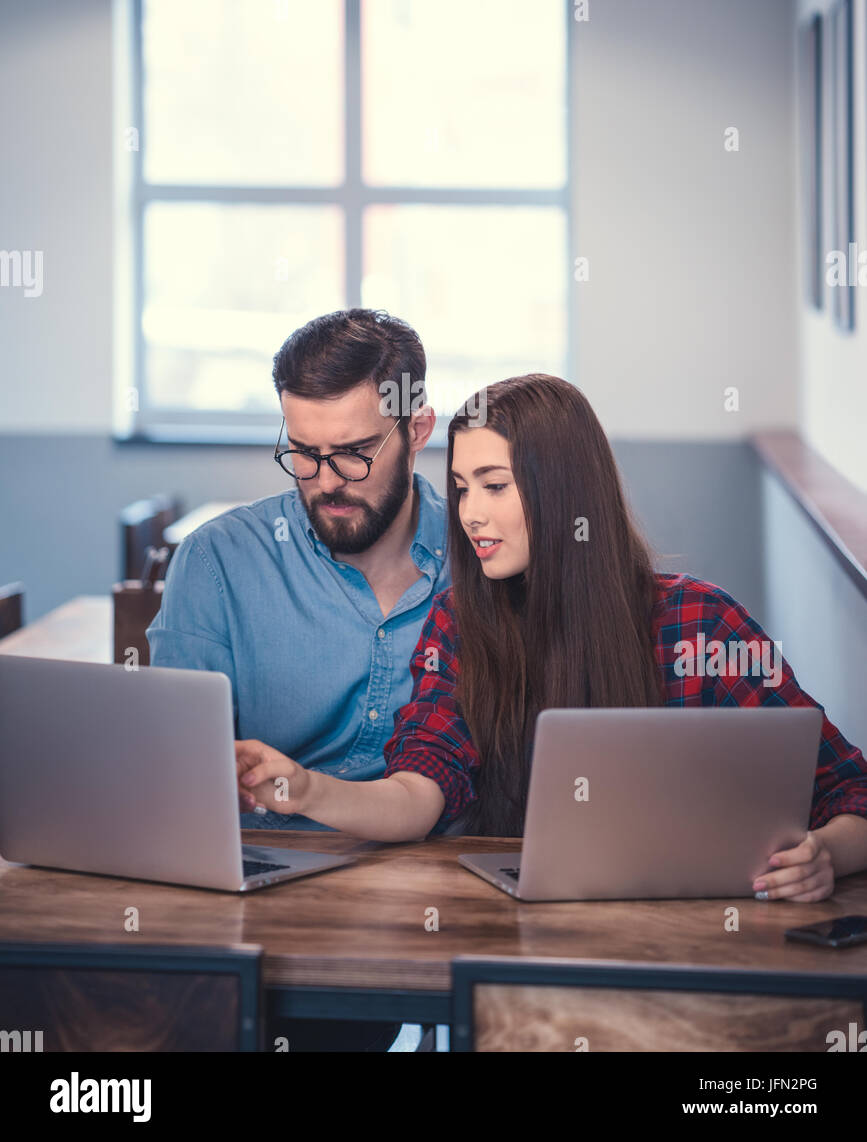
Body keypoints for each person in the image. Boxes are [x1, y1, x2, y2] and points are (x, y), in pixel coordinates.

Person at [238, 373, 867, 902]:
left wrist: (826, 855)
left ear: (563, 492)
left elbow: (849, 789)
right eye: (460, 489)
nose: (470, 513)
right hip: (518, 938)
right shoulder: (460, 621)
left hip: (686, 934)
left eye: (494, 485)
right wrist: (311, 788)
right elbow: (420, 789)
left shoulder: (699, 621)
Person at [147, 307, 450, 1051]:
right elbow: (169, 776)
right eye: (303, 454)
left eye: (352, 454)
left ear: (417, 430)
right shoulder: (219, 560)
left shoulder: (482, 563)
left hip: (434, 896)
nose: (326, 484)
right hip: (257, 899)